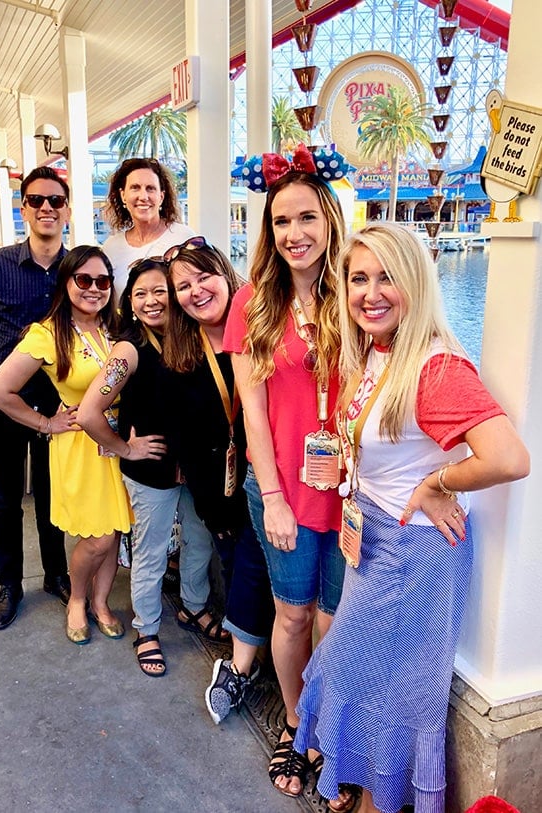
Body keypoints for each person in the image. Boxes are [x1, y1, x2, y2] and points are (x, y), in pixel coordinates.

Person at [293, 223, 530, 813]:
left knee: (392, 696)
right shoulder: (380, 351)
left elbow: (508, 457)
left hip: (415, 554)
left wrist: (436, 482)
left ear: (416, 284)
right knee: (364, 677)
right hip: (373, 538)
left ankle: (379, 801)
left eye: (387, 278)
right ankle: (367, 788)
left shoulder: (436, 367)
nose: (370, 293)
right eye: (358, 278)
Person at [223, 145, 348, 797]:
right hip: (284, 489)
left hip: (348, 494)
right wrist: (271, 495)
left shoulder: (355, 292)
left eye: (306, 218)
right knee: (294, 616)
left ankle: (328, 726)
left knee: (333, 621)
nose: (294, 233)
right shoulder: (253, 302)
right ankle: (295, 724)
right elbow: (251, 406)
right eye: (280, 221)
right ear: (268, 232)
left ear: (328, 219)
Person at [77, 258, 225, 678]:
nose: (150, 300)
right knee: (151, 553)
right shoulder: (130, 349)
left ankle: (193, 608)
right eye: (139, 293)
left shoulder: (193, 337)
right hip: (151, 474)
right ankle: (147, 628)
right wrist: (123, 448)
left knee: (198, 544)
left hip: (196, 471)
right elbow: (89, 412)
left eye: (160, 290)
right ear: (130, 302)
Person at [0, 246, 133, 645]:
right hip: (81, 447)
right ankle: (77, 598)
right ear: (66, 282)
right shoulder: (48, 333)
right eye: (83, 280)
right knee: (98, 536)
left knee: (117, 527)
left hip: (117, 441)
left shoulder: (114, 328)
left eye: (102, 281)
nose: (94, 289)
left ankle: (101, 602)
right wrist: (46, 423)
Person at [163, 236, 275, 722]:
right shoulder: (181, 347)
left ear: (225, 274)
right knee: (238, 566)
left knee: (259, 567)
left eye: (204, 276)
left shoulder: (263, 324)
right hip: (219, 486)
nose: (196, 291)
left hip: (273, 472)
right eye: (183, 286)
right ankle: (255, 660)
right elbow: (186, 434)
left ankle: (248, 661)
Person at [0, 166, 73, 631]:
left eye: (55, 200)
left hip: (57, 406)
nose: (46, 207)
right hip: (3, 403)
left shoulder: (77, 269)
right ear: (23, 207)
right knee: (6, 499)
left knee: (52, 496)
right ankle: (9, 583)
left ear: (66, 209)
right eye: (36, 200)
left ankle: (56, 574)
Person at [101, 157, 194, 297]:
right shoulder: (111, 248)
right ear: (123, 195)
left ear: (161, 197)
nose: (143, 196)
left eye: (150, 189)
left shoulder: (184, 238)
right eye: (135, 188)